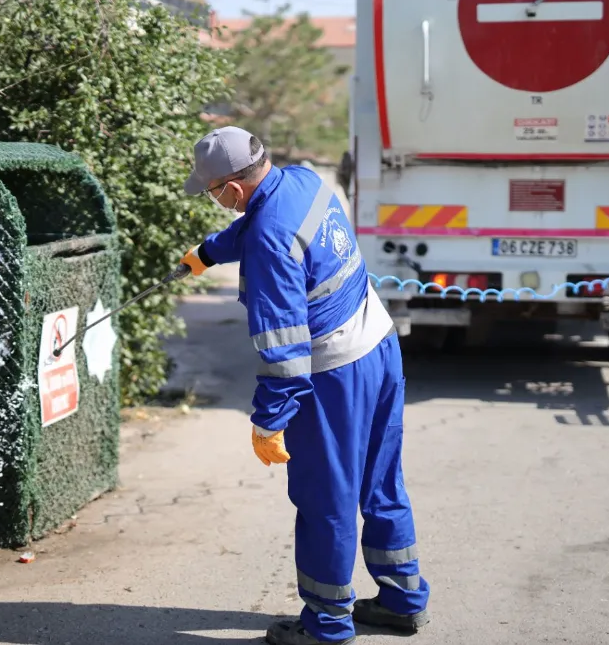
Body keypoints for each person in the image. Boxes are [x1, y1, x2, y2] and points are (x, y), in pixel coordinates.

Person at [179, 126, 431, 645]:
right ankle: (402, 600)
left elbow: (286, 355)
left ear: (231, 189)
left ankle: (327, 626)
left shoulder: (269, 242)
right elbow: (264, 222)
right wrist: (209, 250)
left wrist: (268, 421)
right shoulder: (303, 180)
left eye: (212, 193)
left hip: (337, 372)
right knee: (380, 481)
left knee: (326, 499)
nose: (216, 201)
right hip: (379, 343)